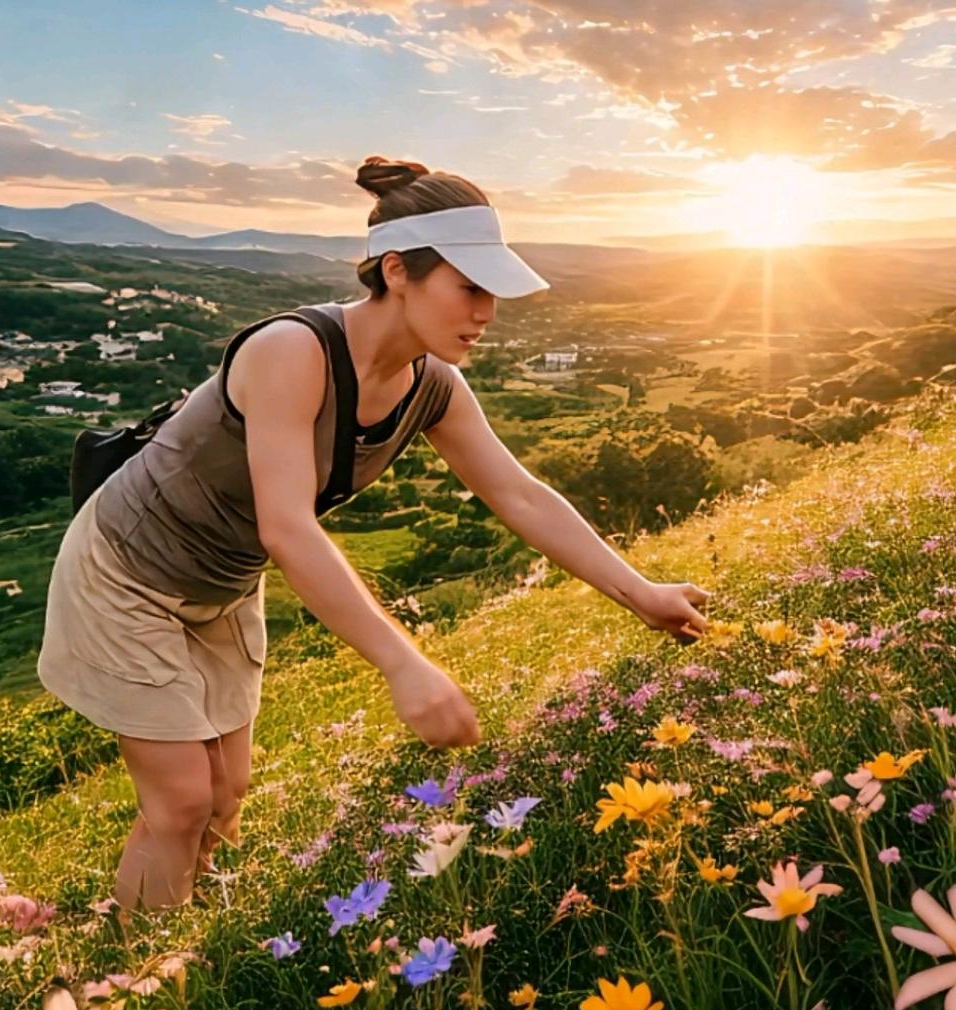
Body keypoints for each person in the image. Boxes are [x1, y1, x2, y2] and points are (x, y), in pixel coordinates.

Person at [36, 154, 711, 916]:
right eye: (470, 287)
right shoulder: (292, 353)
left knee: (226, 795)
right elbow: (286, 528)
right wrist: (404, 665)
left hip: (221, 584)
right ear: (397, 270)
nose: (486, 312)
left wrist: (642, 594)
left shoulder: (433, 387)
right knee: (184, 801)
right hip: (124, 571)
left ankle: (172, 934)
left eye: (492, 292)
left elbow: (520, 495)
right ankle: (131, 981)